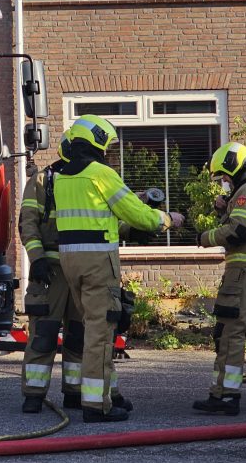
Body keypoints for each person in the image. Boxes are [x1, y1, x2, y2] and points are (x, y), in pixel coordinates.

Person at [53, 115, 183, 423]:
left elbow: (95, 216)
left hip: (71, 264)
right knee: (101, 333)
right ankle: (97, 406)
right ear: (97, 141)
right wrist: (166, 219)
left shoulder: (62, 178)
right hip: (98, 264)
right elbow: (138, 215)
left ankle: (106, 395)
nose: (110, 151)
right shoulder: (101, 173)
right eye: (108, 144)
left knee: (91, 329)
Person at [193, 142, 246, 415]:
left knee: (229, 334)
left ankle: (224, 395)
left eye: (224, 174)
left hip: (243, 275)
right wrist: (224, 209)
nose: (224, 180)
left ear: (235, 166)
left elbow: (239, 232)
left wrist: (204, 238)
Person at [19, 131, 84, 414]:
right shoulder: (43, 181)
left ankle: (75, 392)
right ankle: (34, 395)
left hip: (81, 270)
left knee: (79, 336)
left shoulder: (89, 181)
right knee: (43, 333)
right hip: (51, 272)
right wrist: (37, 258)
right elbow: (28, 224)